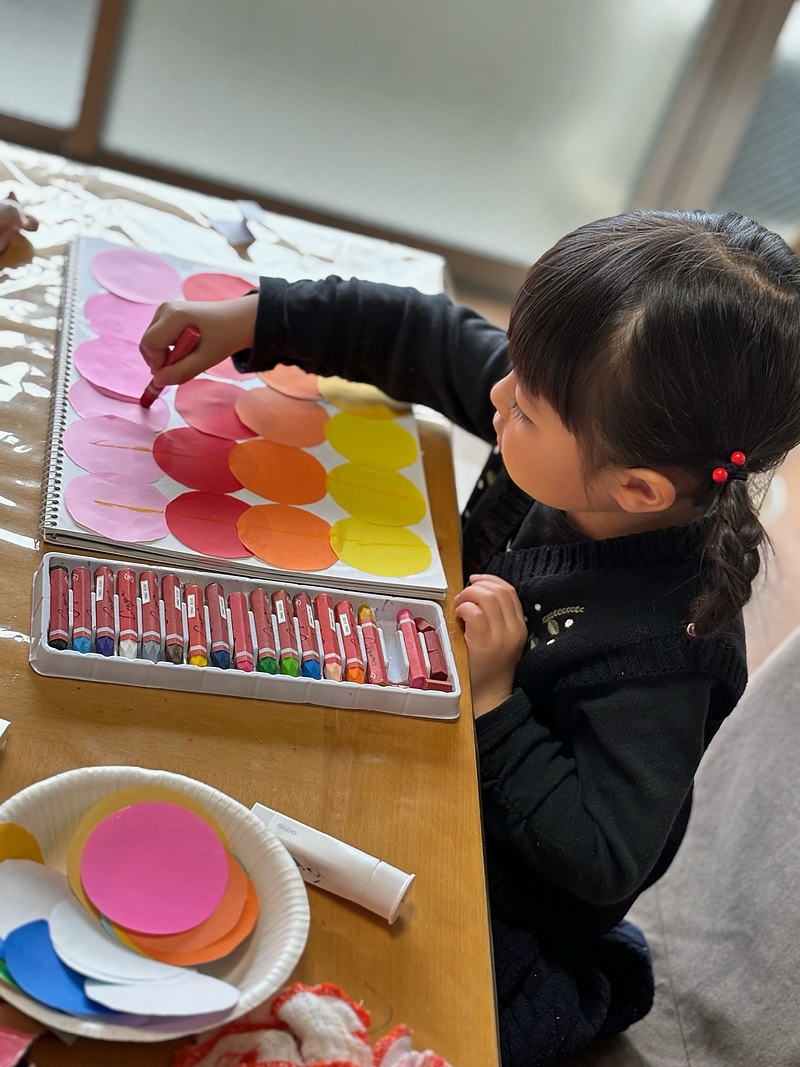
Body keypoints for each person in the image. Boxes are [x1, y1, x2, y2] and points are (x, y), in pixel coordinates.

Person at [140, 210, 800, 1066]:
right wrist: (266, 315)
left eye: (523, 403)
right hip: (438, 730)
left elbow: (603, 857)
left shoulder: (667, 650)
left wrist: (497, 699)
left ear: (636, 488)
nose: (497, 393)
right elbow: (424, 332)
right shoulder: (578, 423)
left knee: (393, 996)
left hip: (507, 884)